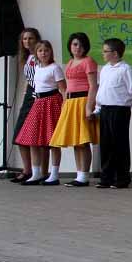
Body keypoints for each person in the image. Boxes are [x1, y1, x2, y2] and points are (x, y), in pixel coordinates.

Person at [49, 32, 99, 187]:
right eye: (75, 44)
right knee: (76, 141)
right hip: (70, 102)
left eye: (81, 45)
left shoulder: (88, 61)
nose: (78, 48)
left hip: (82, 101)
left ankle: (84, 176)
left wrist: (89, 107)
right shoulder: (70, 62)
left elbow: (93, 86)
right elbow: (67, 86)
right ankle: (79, 175)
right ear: (70, 46)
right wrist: (65, 103)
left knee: (83, 141)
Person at [15, 40, 65, 185]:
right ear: (36, 53)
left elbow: (63, 88)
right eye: (40, 51)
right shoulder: (37, 67)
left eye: (46, 50)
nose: (43, 53)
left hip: (52, 102)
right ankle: (36, 173)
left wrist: (65, 107)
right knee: (33, 139)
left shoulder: (55, 68)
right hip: (38, 103)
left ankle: (54, 175)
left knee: (53, 140)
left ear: (51, 52)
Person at [93, 38, 132, 189]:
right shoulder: (105, 69)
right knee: (106, 145)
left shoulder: (125, 69)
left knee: (119, 144)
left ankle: (122, 177)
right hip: (105, 109)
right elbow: (102, 90)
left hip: (119, 110)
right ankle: (106, 177)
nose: (103, 54)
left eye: (105, 51)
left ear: (114, 53)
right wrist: (97, 107)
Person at [10, 28, 41, 184]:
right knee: (20, 134)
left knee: (35, 136)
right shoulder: (26, 57)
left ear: (37, 40)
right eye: (25, 39)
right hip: (29, 95)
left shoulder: (40, 55)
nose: (27, 41)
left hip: (39, 94)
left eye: (31, 38)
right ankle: (26, 169)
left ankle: (38, 171)